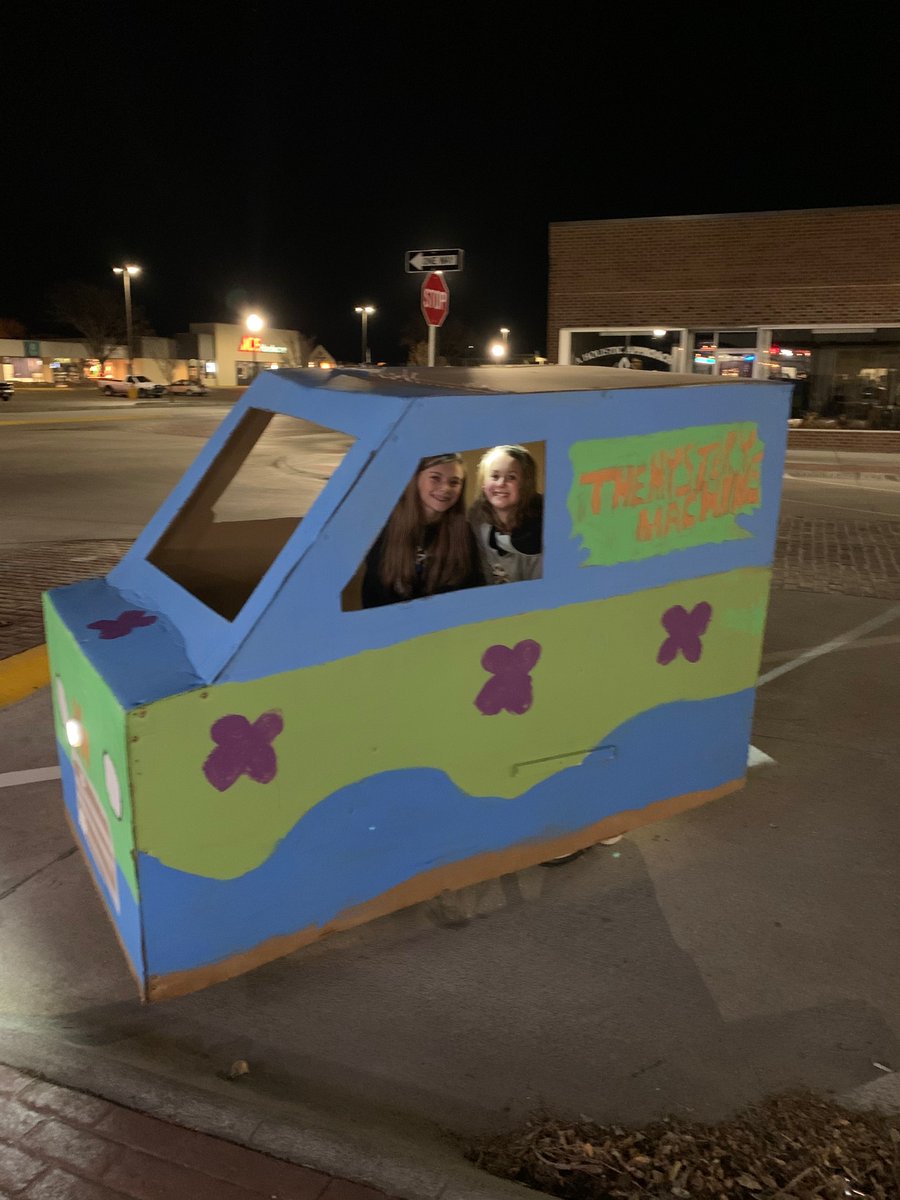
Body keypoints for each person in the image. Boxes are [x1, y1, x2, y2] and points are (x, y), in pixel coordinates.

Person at [362, 453, 484, 607]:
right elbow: (373, 594)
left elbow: (473, 590)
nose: (446, 488)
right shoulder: (383, 527)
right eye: (435, 478)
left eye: (454, 482)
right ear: (416, 479)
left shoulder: (465, 532)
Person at [469, 445, 543, 584]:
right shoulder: (477, 520)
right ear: (484, 484)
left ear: (525, 484)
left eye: (511, 477)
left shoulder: (540, 526)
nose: (501, 483)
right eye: (495, 476)